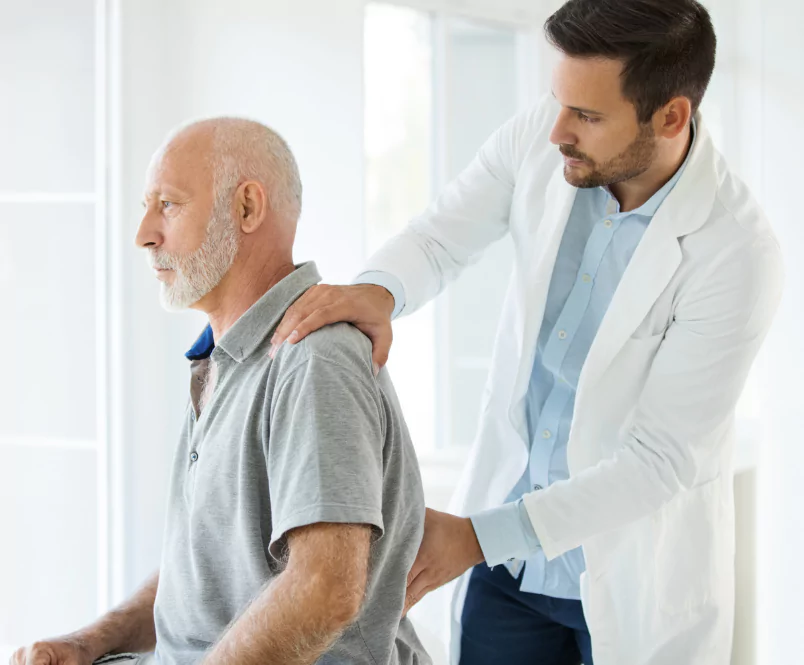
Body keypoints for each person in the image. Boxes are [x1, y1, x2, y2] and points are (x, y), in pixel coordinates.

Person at [268, 1, 784, 663]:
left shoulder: (735, 249)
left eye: (588, 116)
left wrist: (476, 536)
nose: (556, 131)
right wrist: (377, 292)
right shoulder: (549, 136)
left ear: (671, 116)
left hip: (627, 581)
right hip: (506, 574)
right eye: (558, 101)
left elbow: (659, 458)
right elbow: (440, 237)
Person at [11, 118, 431, 665]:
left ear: (248, 208)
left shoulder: (313, 356)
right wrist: (89, 643)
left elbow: (326, 590)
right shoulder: (225, 357)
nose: (144, 232)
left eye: (168, 204)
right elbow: (208, 581)